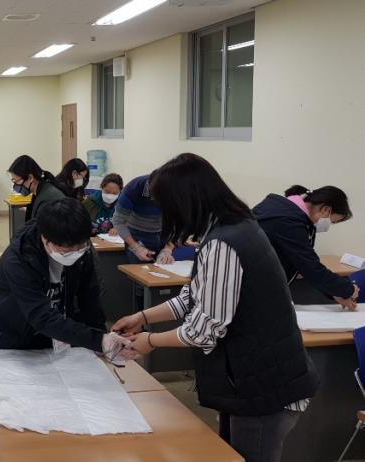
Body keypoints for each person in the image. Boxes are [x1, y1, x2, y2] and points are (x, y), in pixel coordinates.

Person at [113, 153, 318, 462]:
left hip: (263, 384)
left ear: (184, 202)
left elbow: (203, 330)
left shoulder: (224, 242)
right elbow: (193, 297)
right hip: (253, 378)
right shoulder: (234, 227)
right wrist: (142, 317)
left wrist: (150, 341)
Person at [0, 198, 137, 361]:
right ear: (45, 239)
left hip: (48, 335)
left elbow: (90, 298)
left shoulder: (81, 246)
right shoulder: (19, 259)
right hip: (5, 336)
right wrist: (98, 340)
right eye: (67, 250)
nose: (76, 252)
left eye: (81, 246)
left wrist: (101, 336)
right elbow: (40, 316)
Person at [253, 185, 358, 310]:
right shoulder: (288, 221)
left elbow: (302, 264)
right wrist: (348, 289)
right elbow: (310, 267)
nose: (329, 225)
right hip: (253, 288)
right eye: (333, 221)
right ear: (326, 210)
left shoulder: (279, 210)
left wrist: (333, 292)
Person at [111, 174, 174, 264]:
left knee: (163, 268)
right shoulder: (132, 189)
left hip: (164, 235)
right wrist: (135, 247)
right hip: (136, 235)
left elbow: (181, 224)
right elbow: (118, 221)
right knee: (137, 269)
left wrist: (168, 249)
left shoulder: (178, 192)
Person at [9, 155, 65, 221]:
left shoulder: (47, 200)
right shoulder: (38, 192)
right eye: (13, 180)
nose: (15, 184)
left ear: (30, 178)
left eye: (16, 180)